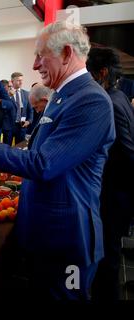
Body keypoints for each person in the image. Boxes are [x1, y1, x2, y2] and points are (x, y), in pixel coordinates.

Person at [0, 21, 115, 300]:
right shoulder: (62, 95)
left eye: (41, 55)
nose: (35, 64)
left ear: (66, 53)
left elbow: (43, 163)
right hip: (47, 235)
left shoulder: (91, 101)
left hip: (67, 241)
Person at [86, 47, 134, 300]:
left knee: (108, 259)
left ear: (102, 73)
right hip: (119, 193)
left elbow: (128, 152)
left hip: (114, 195)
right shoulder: (121, 96)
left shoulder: (110, 103)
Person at [2, 72, 33, 145]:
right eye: (18, 80)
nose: (21, 82)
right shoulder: (5, 93)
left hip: (22, 126)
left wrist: (29, 121)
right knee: (6, 148)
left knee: (19, 148)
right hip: (9, 126)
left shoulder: (27, 94)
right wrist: (9, 96)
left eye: (22, 80)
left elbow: (30, 110)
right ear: (12, 81)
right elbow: (2, 108)